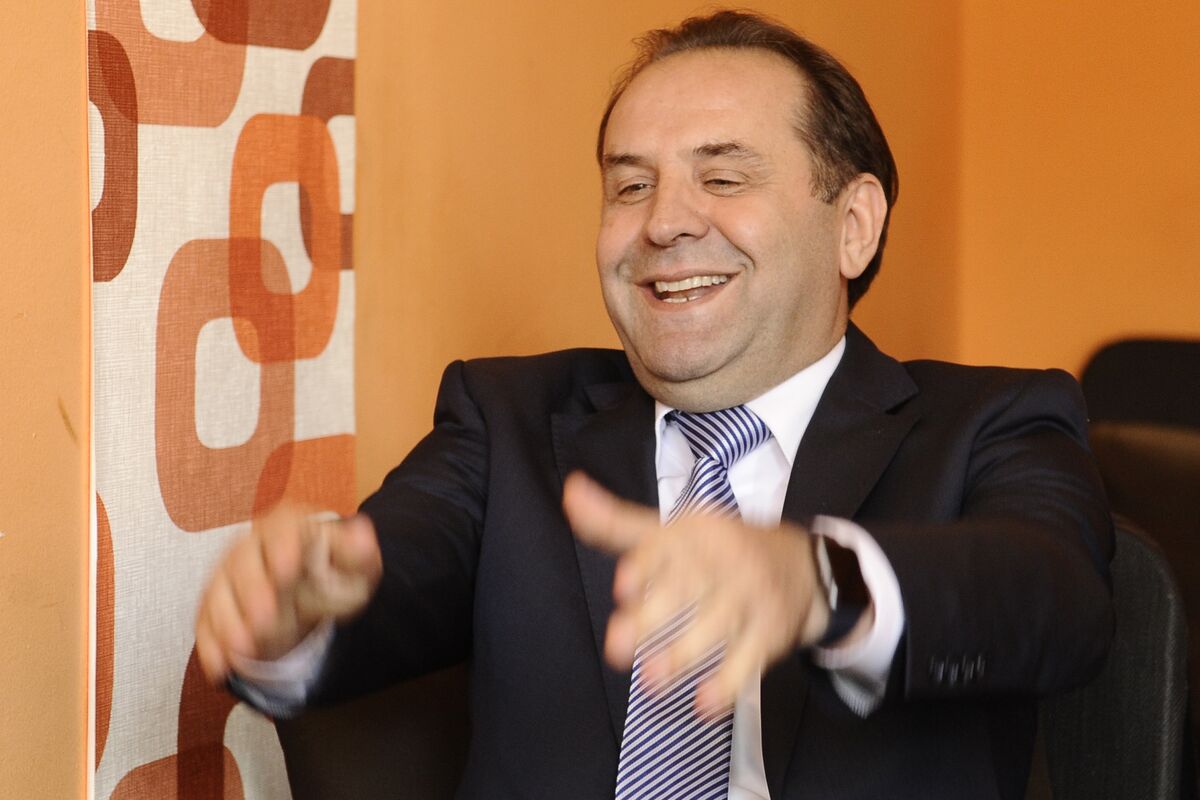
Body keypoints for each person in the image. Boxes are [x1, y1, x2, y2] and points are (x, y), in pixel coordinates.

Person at [195, 10, 1113, 799]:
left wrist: (816, 584)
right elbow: (383, 575)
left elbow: (1056, 602)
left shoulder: (990, 422)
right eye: (630, 185)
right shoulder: (506, 419)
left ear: (853, 226)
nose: (664, 222)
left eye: (723, 177)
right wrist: (292, 619)